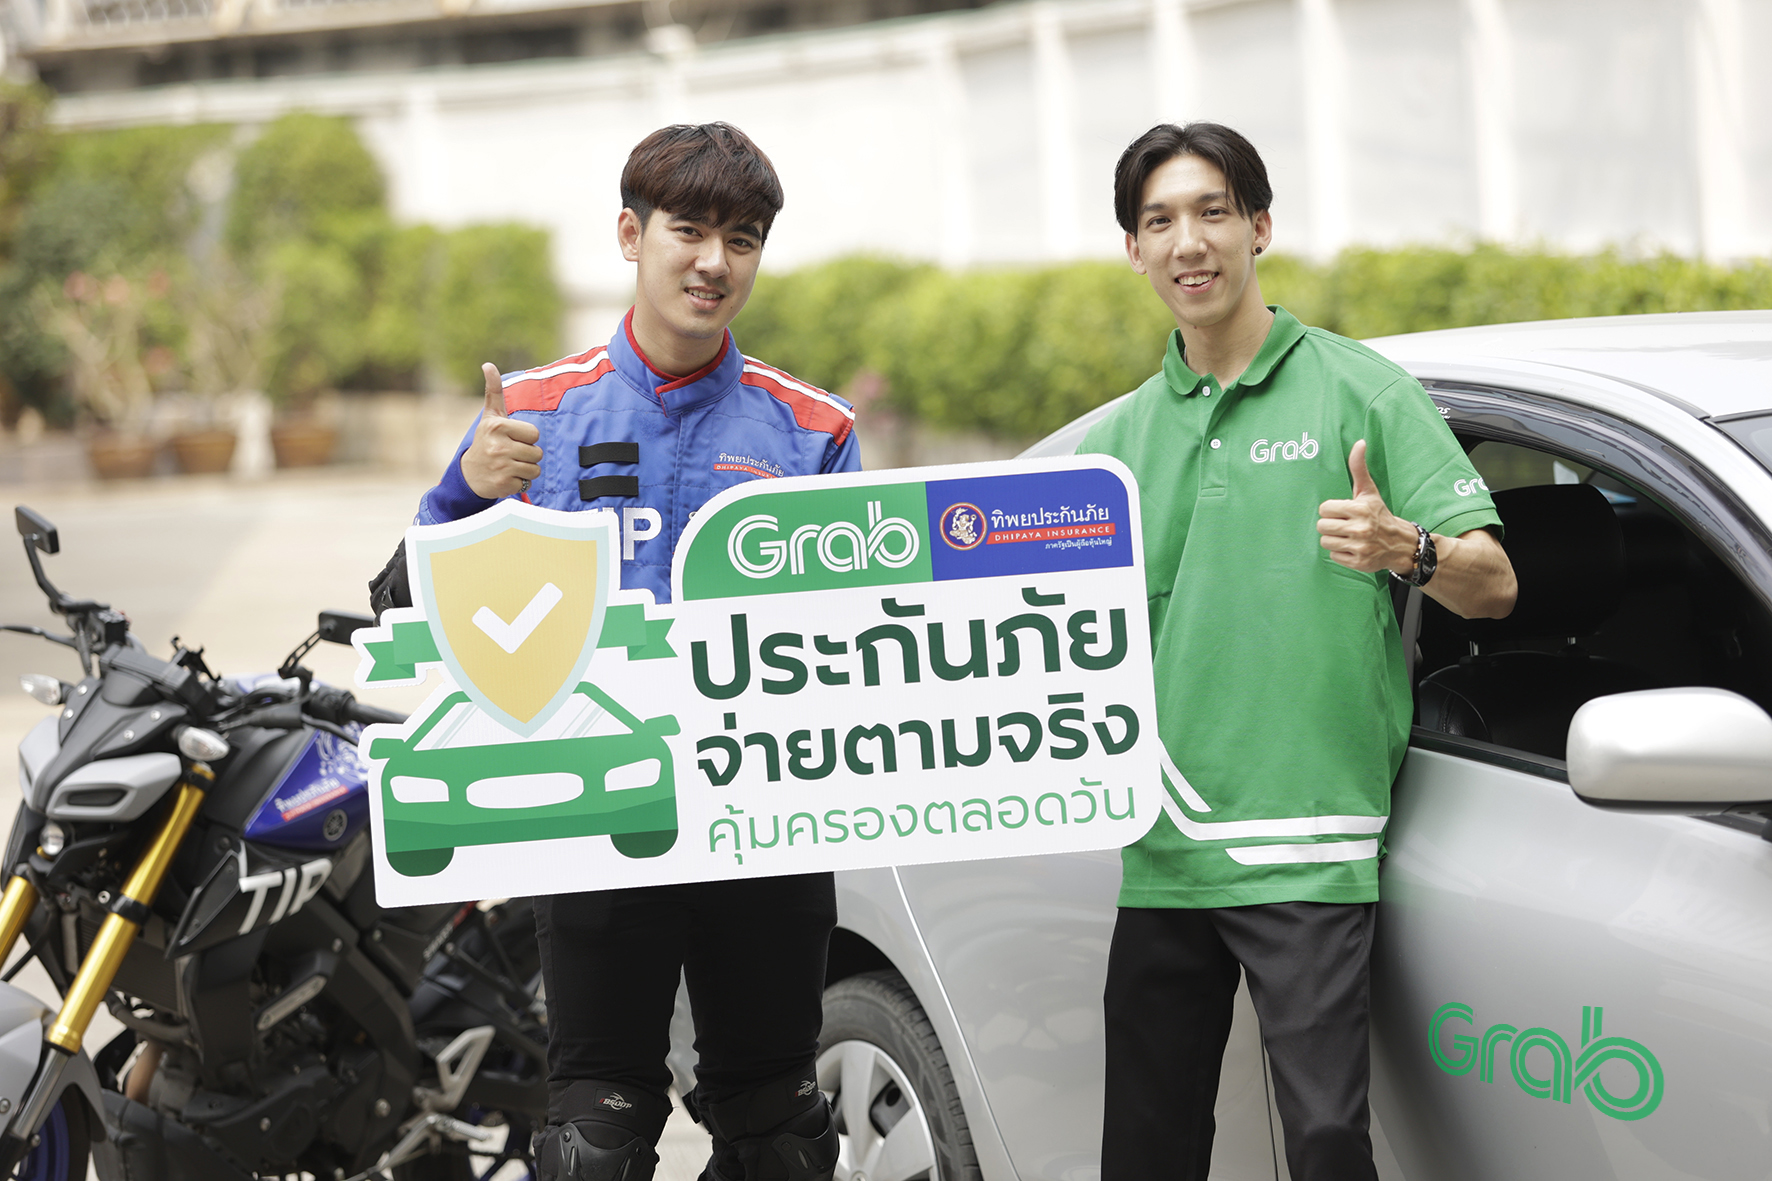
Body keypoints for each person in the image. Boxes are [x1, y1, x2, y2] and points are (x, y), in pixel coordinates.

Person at [414, 123, 855, 1181]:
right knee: (593, 1145)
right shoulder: (530, 414)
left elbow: (859, 635)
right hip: (598, 819)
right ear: (630, 233)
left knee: (782, 1139)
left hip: (763, 826)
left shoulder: (813, 431)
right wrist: (463, 490)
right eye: (688, 230)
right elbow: (416, 603)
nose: (714, 261)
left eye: (741, 239)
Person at [1081, 123, 1517, 1181]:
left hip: (1309, 842)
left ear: (1260, 227)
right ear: (1134, 249)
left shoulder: (1361, 392)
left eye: (1212, 212)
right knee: (1144, 1152)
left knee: (1326, 1145)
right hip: (1163, 850)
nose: (1188, 242)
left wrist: (1406, 548)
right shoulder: (1110, 447)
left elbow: (1495, 585)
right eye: (1158, 221)